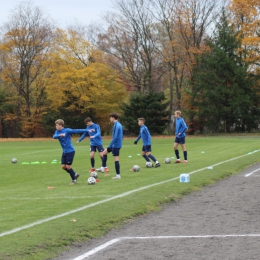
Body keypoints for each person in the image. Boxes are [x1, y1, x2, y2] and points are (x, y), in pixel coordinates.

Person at [53, 119, 89, 185]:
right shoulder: (57, 132)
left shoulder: (67, 130)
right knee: (63, 167)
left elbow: (77, 131)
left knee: (68, 167)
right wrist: (60, 135)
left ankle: (74, 179)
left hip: (70, 151)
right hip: (64, 151)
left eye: (57, 125)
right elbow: (54, 136)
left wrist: (87, 130)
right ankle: (75, 174)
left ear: (61, 125)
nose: (56, 126)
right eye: (56, 125)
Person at [103, 113, 123, 179]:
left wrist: (109, 146)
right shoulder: (118, 124)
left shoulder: (116, 125)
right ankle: (103, 167)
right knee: (104, 152)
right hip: (116, 144)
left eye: (110, 117)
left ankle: (118, 175)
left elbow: (115, 137)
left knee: (116, 159)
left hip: (115, 145)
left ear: (113, 118)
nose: (110, 119)